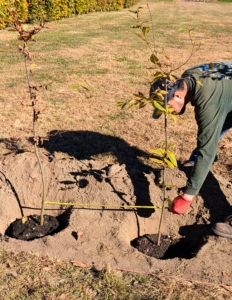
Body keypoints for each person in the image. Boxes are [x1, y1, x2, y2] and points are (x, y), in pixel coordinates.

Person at [150, 62, 232, 238]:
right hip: (227, 90)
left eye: (167, 106)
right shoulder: (189, 75)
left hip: (222, 93)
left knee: (206, 146)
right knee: (218, 122)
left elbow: (207, 149)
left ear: (178, 95)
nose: (167, 112)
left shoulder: (208, 101)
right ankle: (195, 164)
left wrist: (187, 196)